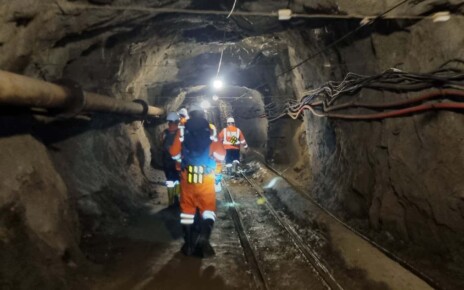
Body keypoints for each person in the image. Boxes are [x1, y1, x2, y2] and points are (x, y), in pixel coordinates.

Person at [169, 105, 225, 257]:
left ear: (190, 115)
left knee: (187, 209)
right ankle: (204, 239)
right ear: (203, 114)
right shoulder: (211, 130)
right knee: (208, 209)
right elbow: (221, 154)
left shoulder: (182, 129)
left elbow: (173, 153)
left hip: (188, 177)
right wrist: (213, 161)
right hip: (206, 177)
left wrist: (181, 160)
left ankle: (188, 245)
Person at [161, 112, 181, 206]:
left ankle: (171, 200)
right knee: (177, 180)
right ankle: (176, 198)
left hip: (167, 161)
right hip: (177, 161)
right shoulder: (180, 133)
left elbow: (161, 146)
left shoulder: (165, 133)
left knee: (170, 180)